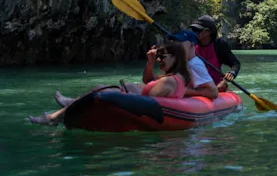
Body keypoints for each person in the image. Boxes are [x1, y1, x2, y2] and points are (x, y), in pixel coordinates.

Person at [30, 43, 194, 126]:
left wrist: (124, 91)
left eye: (162, 57)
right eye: (158, 56)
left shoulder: (168, 81)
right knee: (117, 87)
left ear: (175, 58)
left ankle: (53, 118)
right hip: (144, 103)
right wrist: (149, 63)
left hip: (138, 109)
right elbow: (147, 80)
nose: (159, 59)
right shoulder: (179, 77)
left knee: (100, 88)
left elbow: (146, 102)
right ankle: (69, 104)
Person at [154, 30, 218, 99]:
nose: (176, 44)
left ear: (191, 45)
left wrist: (181, 90)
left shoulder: (195, 64)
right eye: (175, 41)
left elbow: (213, 92)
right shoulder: (180, 61)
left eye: (180, 41)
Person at [189, 15, 240, 92]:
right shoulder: (189, 44)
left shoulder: (220, 45)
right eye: (194, 30)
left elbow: (235, 63)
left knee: (223, 85)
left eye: (198, 30)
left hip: (215, 85)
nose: (195, 33)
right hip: (194, 85)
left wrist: (232, 73)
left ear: (209, 32)